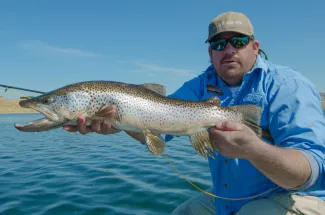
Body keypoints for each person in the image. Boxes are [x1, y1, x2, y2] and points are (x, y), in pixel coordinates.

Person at [64, 11, 325, 215]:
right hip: (230, 199)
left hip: (299, 197)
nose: (229, 49)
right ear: (210, 52)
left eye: (239, 41)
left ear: (255, 47)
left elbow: (312, 173)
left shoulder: (289, 86)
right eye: (219, 44)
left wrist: (253, 149)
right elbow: (158, 129)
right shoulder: (199, 86)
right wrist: (121, 122)